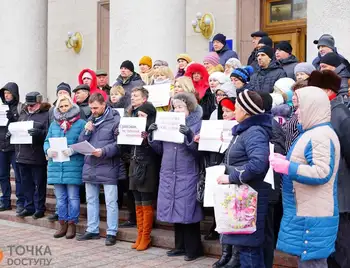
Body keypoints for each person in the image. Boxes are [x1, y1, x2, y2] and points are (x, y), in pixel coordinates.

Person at [271, 86, 340, 268]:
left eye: (300, 107)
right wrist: (286, 160)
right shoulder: (313, 132)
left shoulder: (320, 135)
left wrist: (288, 167)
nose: (297, 112)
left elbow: (321, 172)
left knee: (312, 263)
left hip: (313, 212)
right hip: (308, 210)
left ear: (312, 107)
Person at [217, 90, 271, 267]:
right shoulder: (245, 130)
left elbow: (258, 164)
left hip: (251, 197)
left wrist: (231, 177)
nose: (235, 110)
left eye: (238, 107)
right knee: (246, 247)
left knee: (249, 249)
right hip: (244, 196)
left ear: (246, 110)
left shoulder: (254, 131)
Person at [148, 92, 203, 261]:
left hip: (187, 173)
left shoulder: (197, 125)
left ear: (189, 108)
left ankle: (194, 249)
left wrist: (189, 136)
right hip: (169, 172)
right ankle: (179, 246)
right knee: (175, 210)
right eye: (175, 106)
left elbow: (199, 152)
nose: (177, 110)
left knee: (188, 212)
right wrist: (152, 135)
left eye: (181, 107)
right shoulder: (168, 122)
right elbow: (159, 150)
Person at [307, 70, 350, 268]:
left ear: (326, 91)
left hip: (340, 195)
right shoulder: (324, 113)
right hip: (327, 193)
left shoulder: (340, 114)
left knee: (341, 247)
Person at [76, 93, 121, 246]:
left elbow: (120, 143)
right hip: (90, 165)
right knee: (91, 200)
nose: (93, 111)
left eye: (95, 108)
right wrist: (87, 131)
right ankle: (92, 229)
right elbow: (80, 142)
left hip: (108, 165)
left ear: (103, 104)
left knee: (110, 201)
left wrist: (104, 151)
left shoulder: (115, 119)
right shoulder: (90, 120)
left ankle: (111, 232)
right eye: (91, 108)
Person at [44, 95, 85, 239]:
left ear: (72, 106)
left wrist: (73, 150)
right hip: (56, 166)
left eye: (66, 106)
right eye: (61, 107)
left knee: (73, 197)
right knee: (60, 198)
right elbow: (47, 141)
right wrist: (48, 150)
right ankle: (62, 224)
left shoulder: (80, 123)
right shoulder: (54, 124)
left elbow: (84, 142)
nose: (63, 109)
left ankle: (72, 223)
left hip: (72, 165)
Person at [126, 89, 160, 251]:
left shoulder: (153, 127)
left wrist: (149, 135)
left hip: (147, 166)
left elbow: (157, 150)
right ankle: (140, 234)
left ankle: (146, 236)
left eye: (143, 116)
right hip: (134, 163)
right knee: (137, 202)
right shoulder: (133, 122)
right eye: (138, 115)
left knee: (146, 203)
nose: (140, 118)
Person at [259, 92, 286, 268]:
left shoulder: (271, 124)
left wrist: (261, 148)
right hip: (257, 184)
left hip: (268, 184)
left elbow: (280, 149)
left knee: (266, 230)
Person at [13, 92, 50, 218]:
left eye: (33, 105)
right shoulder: (23, 113)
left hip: (37, 156)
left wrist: (40, 133)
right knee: (26, 184)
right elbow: (17, 128)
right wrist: (11, 133)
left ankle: (39, 208)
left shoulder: (46, 115)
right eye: (28, 105)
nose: (30, 107)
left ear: (39, 103)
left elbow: (49, 133)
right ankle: (29, 207)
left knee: (39, 184)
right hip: (22, 154)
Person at [0, 82, 24, 213]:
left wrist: (13, 118)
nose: (6, 96)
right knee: (2, 176)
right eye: (4, 94)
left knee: (19, 176)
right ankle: (5, 201)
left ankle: (21, 202)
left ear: (14, 94)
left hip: (15, 148)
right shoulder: (1, 108)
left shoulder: (20, 108)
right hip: (1, 147)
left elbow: (22, 125)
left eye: (8, 93)